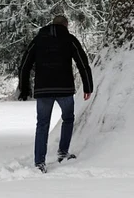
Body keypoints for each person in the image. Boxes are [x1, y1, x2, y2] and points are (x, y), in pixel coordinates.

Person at [19, 15, 94, 173]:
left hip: (43, 89)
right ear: (66, 25)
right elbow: (82, 62)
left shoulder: (38, 39)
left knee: (42, 124)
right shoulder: (69, 39)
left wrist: (24, 88)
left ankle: (39, 162)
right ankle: (63, 152)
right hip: (64, 89)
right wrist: (88, 87)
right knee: (68, 118)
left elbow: (25, 63)